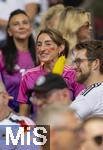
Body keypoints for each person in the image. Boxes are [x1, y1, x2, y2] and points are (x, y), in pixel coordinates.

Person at [17, 28, 84, 116]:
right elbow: (23, 117)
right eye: (39, 45)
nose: (42, 49)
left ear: (60, 47)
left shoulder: (73, 73)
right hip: (41, 128)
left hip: (66, 125)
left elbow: (82, 108)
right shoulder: (28, 76)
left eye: (48, 44)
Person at [0, 9, 38, 112]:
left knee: (46, 129)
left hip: (38, 117)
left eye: (25, 23)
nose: (21, 27)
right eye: (16, 24)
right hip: (10, 117)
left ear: (30, 28)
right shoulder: (1, 55)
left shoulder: (41, 54)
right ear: (9, 31)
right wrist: (16, 118)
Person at [70, 40, 103, 119]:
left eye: (79, 61)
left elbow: (59, 122)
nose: (74, 67)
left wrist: (35, 131)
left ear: (95, 63)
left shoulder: (93, 93)